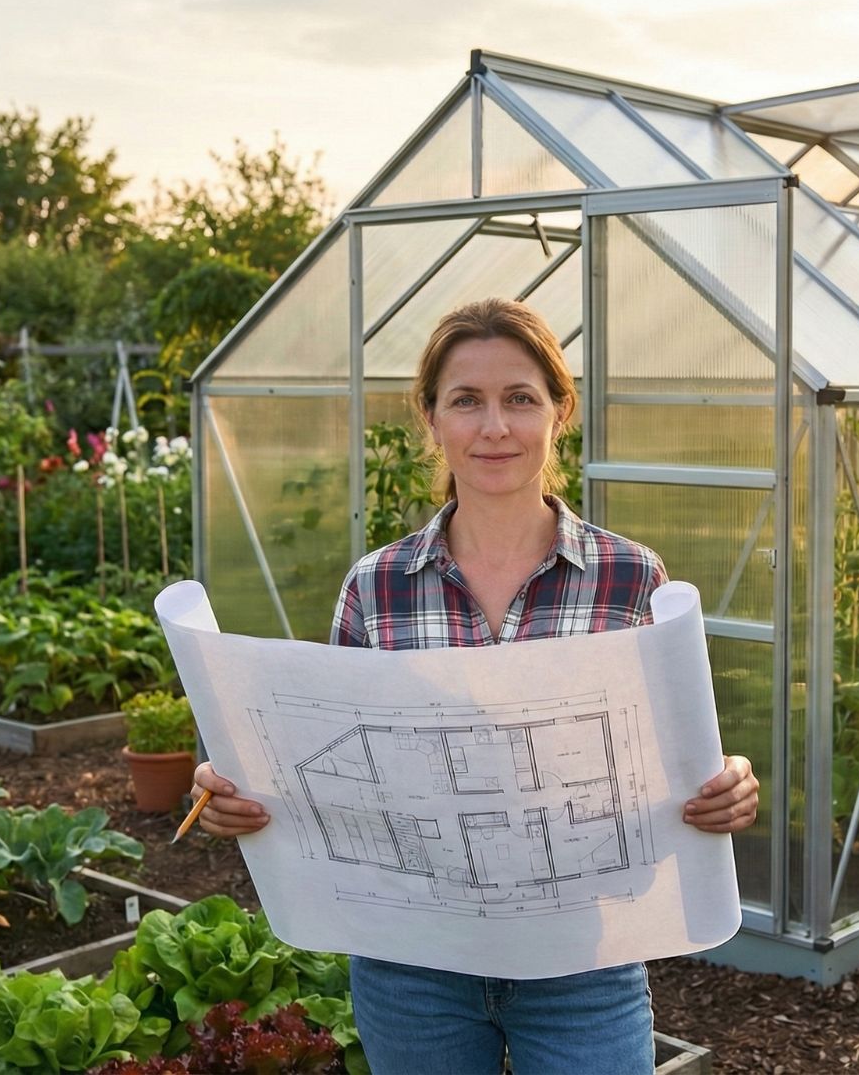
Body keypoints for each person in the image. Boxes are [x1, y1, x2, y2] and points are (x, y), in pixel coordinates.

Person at [191, 296, 759, 1075]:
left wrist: (726, 784)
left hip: (583, 963)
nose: (494, 426)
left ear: (560, 411)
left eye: (520, 399)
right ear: (430, 418)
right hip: (412, 968)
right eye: (466, 400)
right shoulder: (377, 586)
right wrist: (239, 789)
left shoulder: (632, 578)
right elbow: (328, 762)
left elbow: (679, 760)